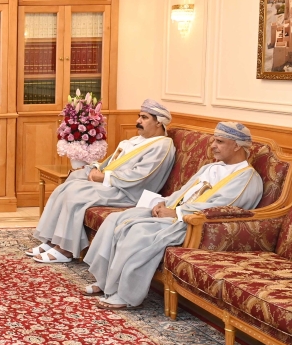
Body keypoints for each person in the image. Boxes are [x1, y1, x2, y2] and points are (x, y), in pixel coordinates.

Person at [83, 122, 264, 310]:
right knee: (116, 218)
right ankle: (105, 282)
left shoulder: (247, 178)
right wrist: (165, 202)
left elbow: (220, 209)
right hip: (173, 212)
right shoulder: (212, 168)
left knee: (137, 231)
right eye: (213, 141)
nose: (213, 146)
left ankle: (125, 295)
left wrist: (177, 212)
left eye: (220, 142)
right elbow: (184, 191)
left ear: (237, 146)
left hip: (193, 225)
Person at [29, 99, 177, 263]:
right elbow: (112, 162)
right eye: (139, 116)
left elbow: (140, 176)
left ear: (159, 122)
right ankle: (53, 240)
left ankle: (66, 249)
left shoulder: (162, 146)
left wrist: (104, 177)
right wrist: (94, 168)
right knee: (70, 181)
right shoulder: (137, 141)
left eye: (144, 117)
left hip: (129, 192)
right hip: (115, 184)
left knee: (75, 193)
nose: (138, 121)